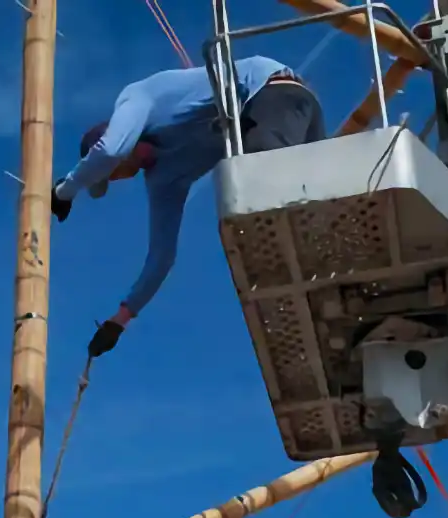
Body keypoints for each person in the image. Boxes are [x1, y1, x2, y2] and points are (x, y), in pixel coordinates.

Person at [51, 55, 326, 359]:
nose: (114, 178)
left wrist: (65, 191)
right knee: (312, 220)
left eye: (107, 173)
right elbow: (161, 257)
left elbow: (112, 149)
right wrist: (120, 320)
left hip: (270, 92)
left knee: (266, 202)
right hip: (287, 116)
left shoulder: (138, 96)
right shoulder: (163, 179)